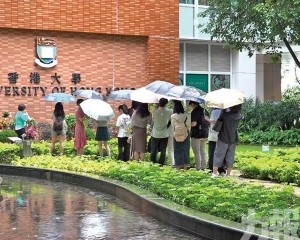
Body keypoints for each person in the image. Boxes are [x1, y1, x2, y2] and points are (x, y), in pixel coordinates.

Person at [212, 104, 242, 177]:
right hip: (233, 138)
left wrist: (223, 109)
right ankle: (228, 174)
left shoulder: (225, 115)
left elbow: (219, 123)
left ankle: (214, 173)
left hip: (223, 137)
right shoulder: (238, 116)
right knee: (230, 156)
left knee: (218, 154)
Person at [150, 98, 172, 166]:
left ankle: (153, 162)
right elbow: (170, 121)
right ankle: (162, 163)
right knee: (163, 150)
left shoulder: (154, 111)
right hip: (165, 133)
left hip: (155, 133)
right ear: (166, 103)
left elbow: (152, 121)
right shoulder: (170, 111)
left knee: (154, 149)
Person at [205, 108, 226, 174]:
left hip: (213, 136)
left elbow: (213, 122)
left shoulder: (215, 112)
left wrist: (207, 118)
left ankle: (211, 168)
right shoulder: (224, 112)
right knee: (221, 153)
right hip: (222, 135)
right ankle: (221, 168)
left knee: (212, 152)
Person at [189, 101, 209, 170]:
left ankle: (198, 167)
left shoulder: (194, 112)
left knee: (197, 152)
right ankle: (204, 167)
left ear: (193, 104)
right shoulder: (205, 110)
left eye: (190, 105)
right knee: (203, 151)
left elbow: (194, 124)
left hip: (196, 134)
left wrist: (187, 125)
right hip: (205, 133)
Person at [171, 101, 191, 169]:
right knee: (185, 148)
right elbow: (188, 125)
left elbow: (172, 125)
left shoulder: (173, 116)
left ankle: (178, 165)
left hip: (176, 134)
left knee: (177, 149)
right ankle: (185, 164)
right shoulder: (187, 115)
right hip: (185, 134)